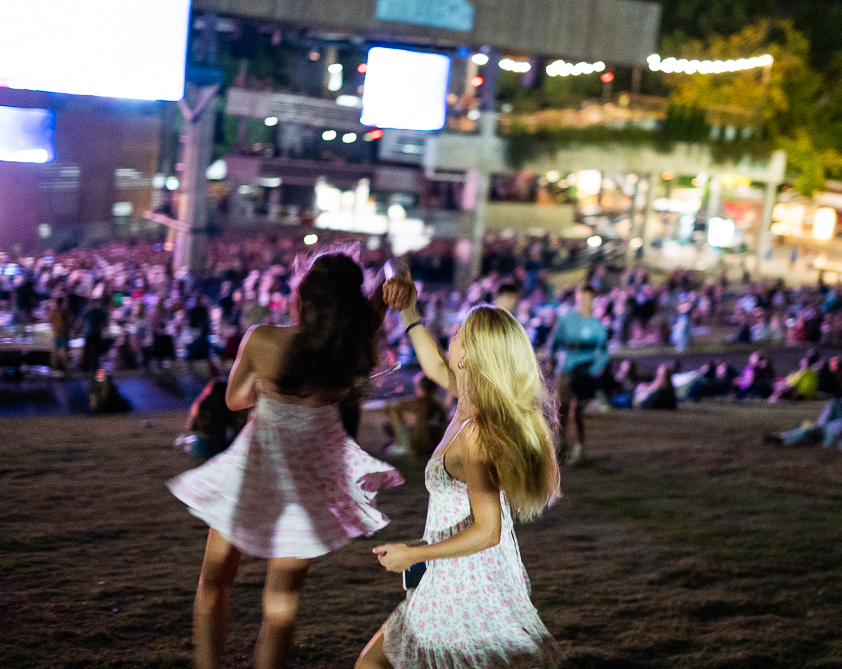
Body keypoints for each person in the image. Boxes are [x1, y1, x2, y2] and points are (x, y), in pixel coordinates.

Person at [167, 250, 404, 669]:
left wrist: (267, 385)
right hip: (309, 486)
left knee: (214, 583)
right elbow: (389, 276)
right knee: (281, 609)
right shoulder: (351, 346)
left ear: (303, 297)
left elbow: (235, 399)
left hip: (253, 472)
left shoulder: (263, 340)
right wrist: (397, 275)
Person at [356, 271, 563, 669]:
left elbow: (488, 530)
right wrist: (409, 311)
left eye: (456, 334)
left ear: (468, 355)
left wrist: (414, 553)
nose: (449, 337)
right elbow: (432, 363)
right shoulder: (465, 402)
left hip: (466, 582)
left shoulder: (477, 433)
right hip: (450, 571)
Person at [548, 285, 608, 465]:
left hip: (584, 374)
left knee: (577, 412)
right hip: (566, 372)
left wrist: (593, 368)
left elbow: (603, 352)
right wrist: (552, 360)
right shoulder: (566, 320)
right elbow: (554, 341)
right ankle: (561, 446)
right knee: (562, 410)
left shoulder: (596, 325)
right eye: (582, 298)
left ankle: (579, 449)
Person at [381, 372, 450, 457]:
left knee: (393, 414)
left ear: (418, 387)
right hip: (438, 445)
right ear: (435, 388)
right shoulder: (438, 404)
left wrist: (401, 418)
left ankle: (402, 446)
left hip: (422, 447)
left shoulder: (418, 403)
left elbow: (391, 406)